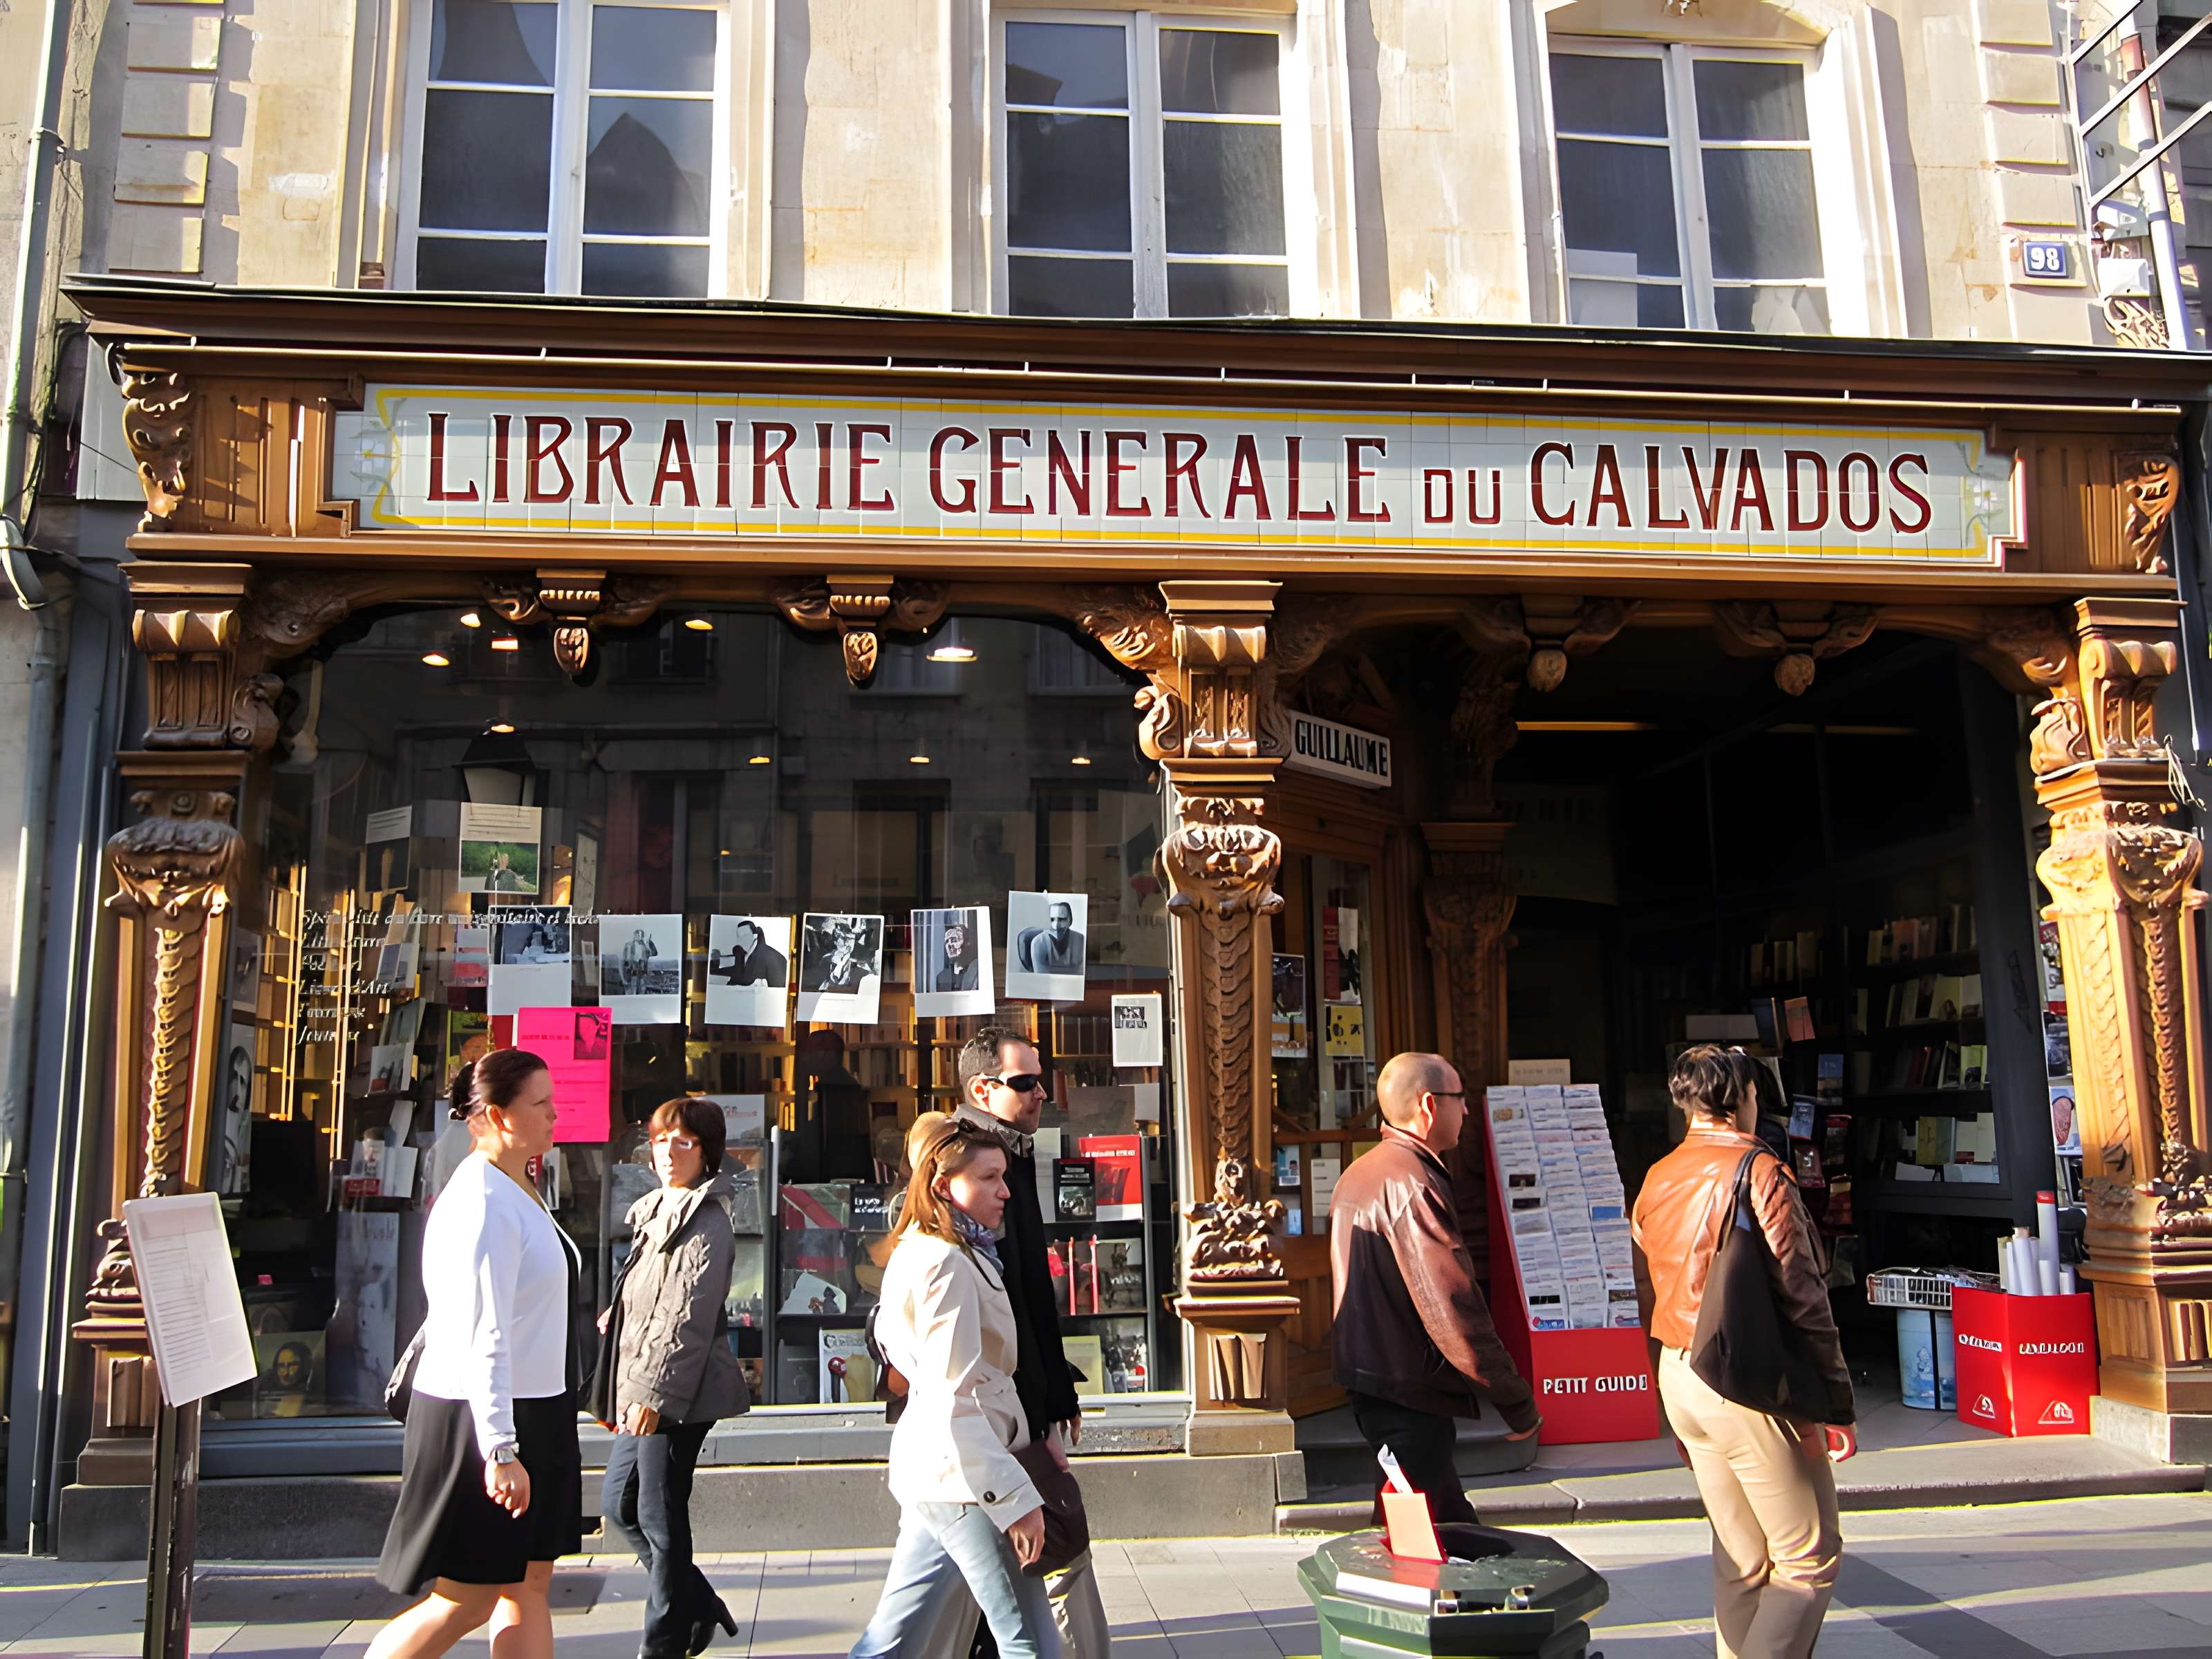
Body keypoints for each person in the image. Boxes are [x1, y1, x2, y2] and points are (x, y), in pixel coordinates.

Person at [1632, 1044, 1856, 1659]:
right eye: (1756, 1094)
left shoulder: (1658, 1175)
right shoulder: (1761, 1171)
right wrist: (1833, 1399)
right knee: (1807, 1558)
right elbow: (1804, 1295)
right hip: (1745, 1380)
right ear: (1740, 1100)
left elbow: (1648, 1279)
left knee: (1742, 1558)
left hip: (1680, 1369)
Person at [371, 1050, 583, 1659]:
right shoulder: (486, 1200)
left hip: (531, 1409)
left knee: (527, 1585)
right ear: (497, 1115)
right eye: (540, 1104)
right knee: (467, 1597)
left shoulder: (516, 1184)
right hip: (482, 1416)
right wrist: (500, 1448)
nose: (554, 1115)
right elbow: (483, 1332)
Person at [850, 1118, 1056, 1659]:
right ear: (945, 1185)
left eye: (1003, 1176)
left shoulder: (931, 1249)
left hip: (940, 1471)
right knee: (1028, 1644)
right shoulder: (947, 1262)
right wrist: (1014, 1501)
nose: (1005, 1191)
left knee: (891, 1640)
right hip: (964, 1476)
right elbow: (952, 1397)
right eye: (988, 1177)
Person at [950, 1027, 1107, 1659]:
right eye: (1024, 1083)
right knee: (1008, 1564)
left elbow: (1032, 1290)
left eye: (1041, 1079)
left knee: (995, 1573)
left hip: (1015, 1402)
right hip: (990, 1410)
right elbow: (1000, 1305)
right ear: (981, 1089)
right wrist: (1036, 1409)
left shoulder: (1011, 1152)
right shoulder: (971, 1162)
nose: (1041, 1093)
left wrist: (1056, 1391)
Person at [1329, 1051, 1539, 1525]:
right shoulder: (1411, 1182)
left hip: (1380, 1381)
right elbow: (1453, 1307)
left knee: (1412, 1531)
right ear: (1429, 1106)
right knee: (1435, 1538)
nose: (1467, 1110)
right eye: (1460, 1098)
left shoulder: (1366, 1172)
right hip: (1406, 1388)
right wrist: (1517, 1403)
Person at [602, 1098, 749, 1658]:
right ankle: (700, 1604)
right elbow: (652, 1296)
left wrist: (654, 1397)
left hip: (674, 1391)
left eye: (683, 1142)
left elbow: (684, 1317)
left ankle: (662, 1642)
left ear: (706, 1153)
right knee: (619, 1503)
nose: (668, 1152)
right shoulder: (657, 1207)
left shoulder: (707, 1219)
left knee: (658, 1515)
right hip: (639, 1377)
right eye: (661, 1139)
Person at [718, 919, 787, 987]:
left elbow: (778, 992)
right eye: (739, 937)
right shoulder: (741, 956)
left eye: (745, 936)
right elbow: (733, 983)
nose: (741, 940)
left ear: (755, 935)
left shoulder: (774, 958)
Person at [1018, 903, 1082, 975]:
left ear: (1070, 920)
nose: (1057, 925)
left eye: (1062, 919)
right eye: (1052, 920)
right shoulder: (1039, 943)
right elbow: (1043, 979)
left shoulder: (1080, 940)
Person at [935, 918, 980, 992]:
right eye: (947, 942)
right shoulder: (941, 977)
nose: (950, 945)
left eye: (954, 940)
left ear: (966, 943)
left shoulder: (977, 970)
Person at [619, 928, 657, 997]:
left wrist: (649, 944)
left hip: (641, 973)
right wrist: (623, 978)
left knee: (640, 994)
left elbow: (653, 954)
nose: (639, 936)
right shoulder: (628, 945)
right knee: (630, 994)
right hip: (630, 973)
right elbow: (623, 960)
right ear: (634, 935)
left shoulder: (645, 947)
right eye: (638, 935)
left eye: (641, 935)